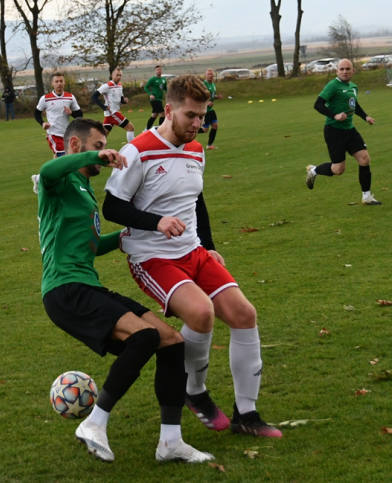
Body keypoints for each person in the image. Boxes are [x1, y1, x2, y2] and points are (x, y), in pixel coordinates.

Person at [102, 74, 282, 439]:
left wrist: (209, 244)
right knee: (201, 313)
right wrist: (156, 222)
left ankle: (247, 413)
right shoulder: (140, 149)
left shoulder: (196, 149)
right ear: (168, 110)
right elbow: (111, 207)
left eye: (202, 116)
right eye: (190, 116)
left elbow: (195, 200)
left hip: (194, 251)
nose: (197, 124)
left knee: (245, 314)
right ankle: (194, 391)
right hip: (152, 257)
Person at [38, 118, 214, 464]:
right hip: (65, 290)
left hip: (86, 284)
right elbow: (47, 169)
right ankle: (94, 423)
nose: (103, 151)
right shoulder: (57, 182)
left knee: (170, 342)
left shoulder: (84, 189)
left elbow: (86, 246)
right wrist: (100, 157)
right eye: (96, 145)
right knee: (145, 337)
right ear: (74, 146)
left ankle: (171, 441)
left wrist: (123, 238)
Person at [305, 59, 381, 205]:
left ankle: (367, 197)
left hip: (349, 130)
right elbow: (318, 104)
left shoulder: (353, 87)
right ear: (337, 71)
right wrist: (335, 115)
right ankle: (314, 170)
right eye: (342, 69)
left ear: (353, 71)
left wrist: (366, 117)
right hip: (334, 131)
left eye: (348, 69)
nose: (345, 72)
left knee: (364, 159)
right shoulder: (333, 85)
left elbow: (354, 104)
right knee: (338, 169)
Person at [35, 73, 83, 158]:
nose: (59, 83)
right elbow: (36, 113)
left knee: (59, 157)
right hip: (53, 133)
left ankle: (51, 171)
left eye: (61, 81)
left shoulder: (70, 97)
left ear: (64, 83)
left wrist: (71, 113)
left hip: (67, 133)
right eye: (56, 81)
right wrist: (42, 123)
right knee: (63, 155)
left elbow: (80, 115)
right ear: (52, 83)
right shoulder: (45, 98)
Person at [91, 68, 135, 142]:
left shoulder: (120, 86)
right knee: (130, 128)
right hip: (113, 113)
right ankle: (133, 148)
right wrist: (103, 107)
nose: (119, 77)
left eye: (120, 75)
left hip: (111, 114)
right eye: (117, 75)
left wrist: (124, 101)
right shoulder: (107, 86)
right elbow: (94, 96)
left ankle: (92, 148)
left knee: (102, 136)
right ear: (112, 75)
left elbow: (121, 99)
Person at [199, 69, 223, 150]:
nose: (210, 75)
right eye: (208, 74)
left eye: (211, 74)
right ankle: (188, 132)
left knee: (215, 126)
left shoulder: (213, 85)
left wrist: (217, 97)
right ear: (206, 75)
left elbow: (212, 97)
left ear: (213, 75)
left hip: (211, 110)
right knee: (205, 130)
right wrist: (207, 103)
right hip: (205, 111)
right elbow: (200, 98)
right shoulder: (203, 85)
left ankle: (209, 145)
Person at [143, 65, 167, 131]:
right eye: (157, 70)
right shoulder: (152, 79)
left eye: (160, 69)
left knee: (154, 115)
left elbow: (165, 88)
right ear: (155, 71)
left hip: (160, 99)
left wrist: (170, 93)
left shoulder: (163, 79)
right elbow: (146, 87)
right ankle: (161, 130)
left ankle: (146, 129)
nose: (159, 71)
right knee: (162, 114)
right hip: (154, 99)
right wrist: (150, 94)